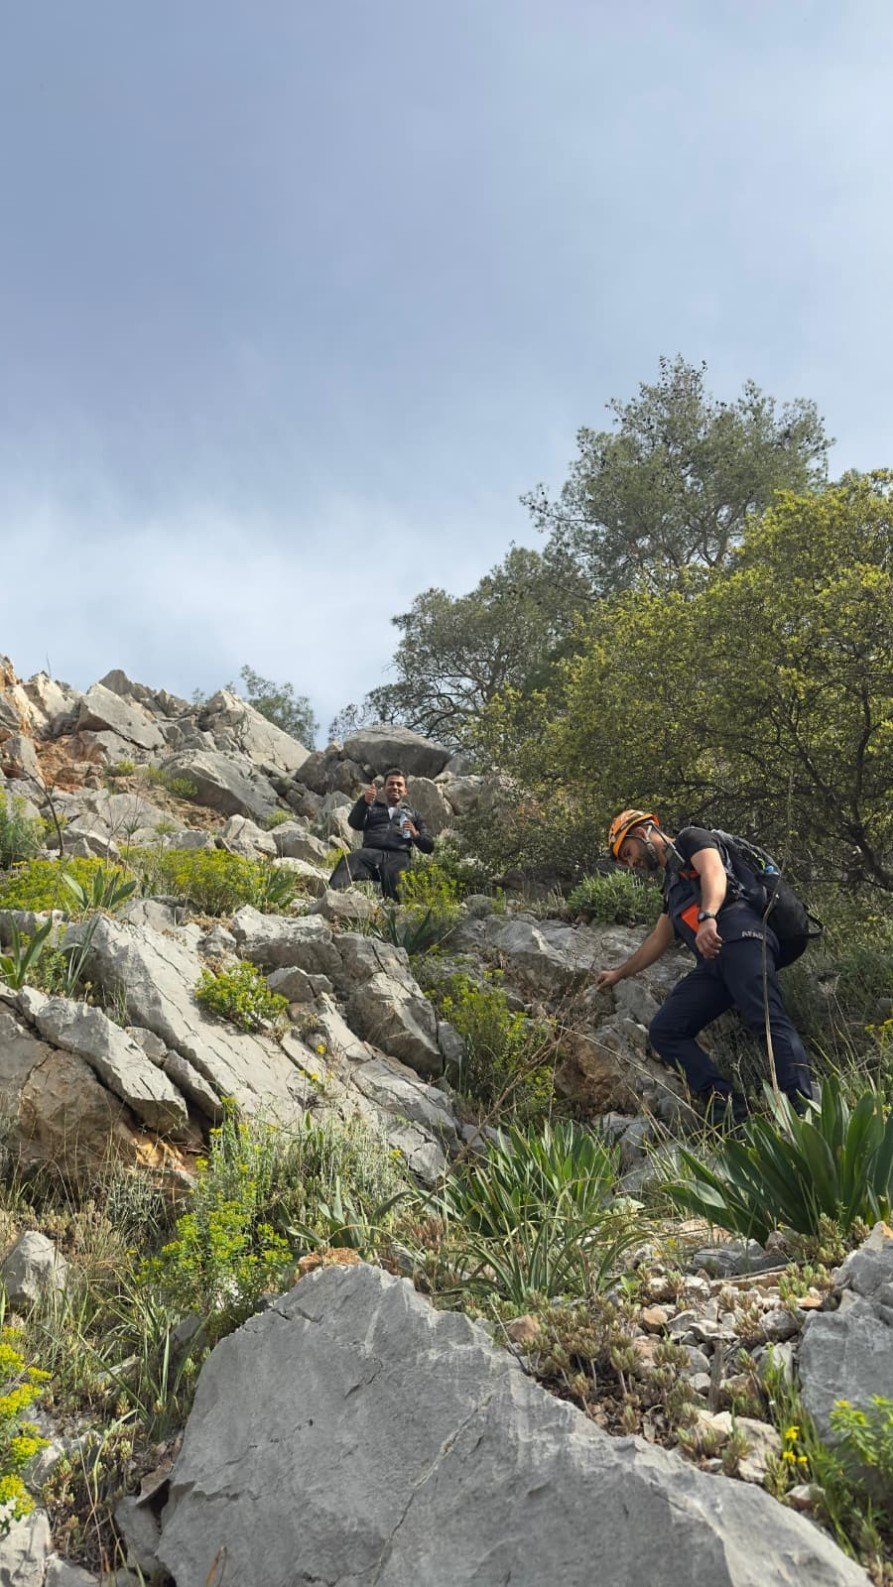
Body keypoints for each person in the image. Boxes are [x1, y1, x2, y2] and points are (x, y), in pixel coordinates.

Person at [595, 809, 813, 1122]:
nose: (632, 863)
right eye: (625, 861)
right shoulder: (671, 885)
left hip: (741, 935)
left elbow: (713, 872)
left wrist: (708, 915)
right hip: (714, 962)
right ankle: (730, 1109)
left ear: (643, 831)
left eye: (628, 853)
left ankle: (804, 1115)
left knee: (765, 1019)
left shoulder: (690, 838)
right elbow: (659, 939)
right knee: (665, 1030)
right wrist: (619, 973)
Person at [327, 767, 434, 900]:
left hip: (398, 856)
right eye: (391, 784)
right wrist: (363, 802)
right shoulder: (371, 808)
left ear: (405, 791)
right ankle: (333, 899)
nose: (395, 787)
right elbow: (355, 823)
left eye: (399, 784)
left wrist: (415, 835)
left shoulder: (414, 814)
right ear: (383, 788)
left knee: (394, 875)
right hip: (370, 854)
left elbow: (429, 846)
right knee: (350, 860)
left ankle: (392, 912)